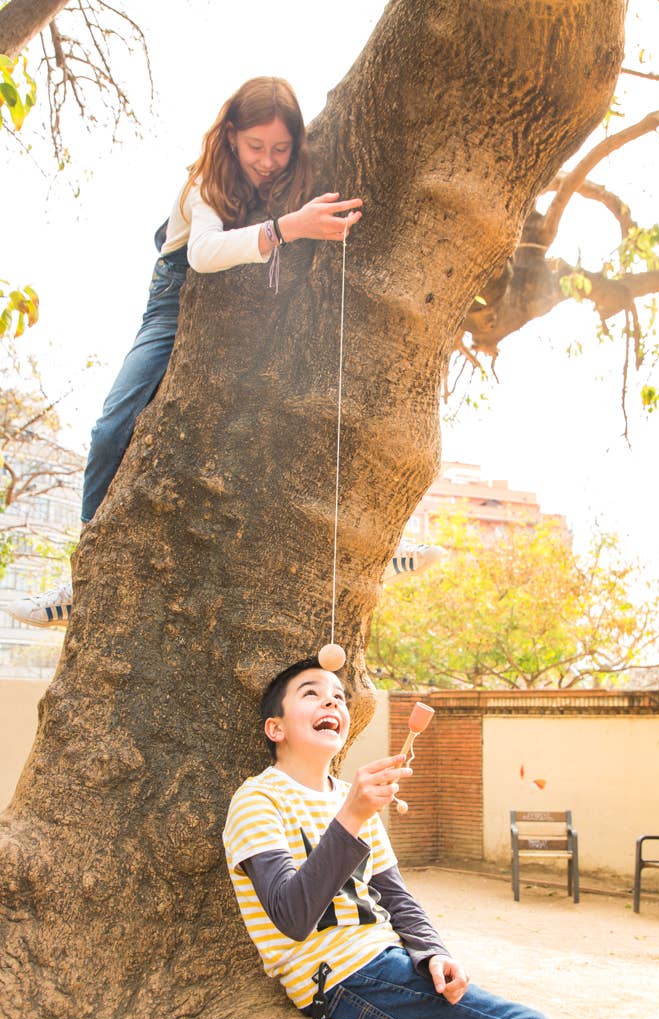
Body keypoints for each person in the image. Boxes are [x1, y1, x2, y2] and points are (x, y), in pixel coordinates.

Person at [3, 77, 443, 629]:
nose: (267, 161)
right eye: (256, 147)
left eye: (280, 149)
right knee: (114, 423)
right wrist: (291, 226)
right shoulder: (204, 181)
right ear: (231, 136)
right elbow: (206, 253)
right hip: (175, 302)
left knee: (307, 411)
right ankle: (83, 577)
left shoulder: (299, 173)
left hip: (261, 305)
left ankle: (370, 550)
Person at [222, 657, 659, 1019]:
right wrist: (352, 816)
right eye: (311, 693)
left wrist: (434, 953)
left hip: (388, 967)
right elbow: (291, 915)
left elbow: (398, 899)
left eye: (340, 697)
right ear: (274, 728)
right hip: (339, 981)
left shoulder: (347, 798)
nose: (332, 702)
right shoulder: (258, 800)